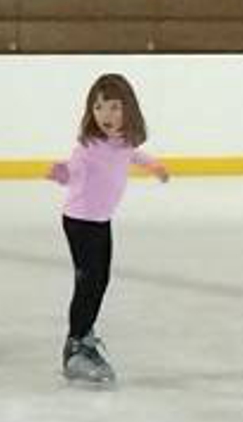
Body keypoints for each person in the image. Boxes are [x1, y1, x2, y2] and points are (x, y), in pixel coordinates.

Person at [47, 73, 169, 383]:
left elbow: (132, 154)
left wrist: (153, 165)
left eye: (114, 107)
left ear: (128, 109)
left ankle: (85, 334)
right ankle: (75, 346)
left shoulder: (123, 141)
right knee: (88, 283)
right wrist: (60, 173)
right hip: (79, 221)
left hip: (101, 220)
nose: (106, 116)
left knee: (101, 280)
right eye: (99, 107)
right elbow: (72, 172)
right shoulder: (88, 146)